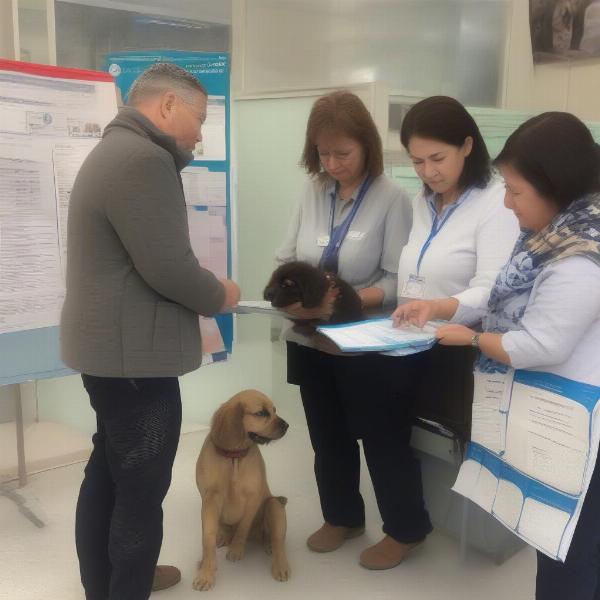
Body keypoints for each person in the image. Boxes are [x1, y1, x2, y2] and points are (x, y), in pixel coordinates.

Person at [60, 63, 240, 600]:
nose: (202, 132)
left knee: (110, 471)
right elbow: (169, 268)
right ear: (167, 105)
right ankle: (126, 587)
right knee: (140, 489)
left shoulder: (115, 151)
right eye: (199, 118)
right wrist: (222, 294)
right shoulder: (144, 159)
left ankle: (108, 583)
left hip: (113, 355)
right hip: (134, 362)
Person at [403, 112, 600, 600]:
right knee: (556, 544)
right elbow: (501, 291)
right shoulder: (550, 233)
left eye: (515, 191)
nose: (507, 203)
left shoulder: (578, 256)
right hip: (556, 412)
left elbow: (539, 345)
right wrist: (444, 306)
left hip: (575, 418)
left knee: (571, 554)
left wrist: (469, 339)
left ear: (554, 185)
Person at [275, 90, 419, 570]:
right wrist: (295, 297)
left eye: (343, 153)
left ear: (367, 147)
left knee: (382, 439)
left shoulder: (392, 198)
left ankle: (404, 529)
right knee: (327, 436)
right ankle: (342, 517)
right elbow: (285, 256)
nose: (332, 164)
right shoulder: (311, 193)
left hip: (366, 343)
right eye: (323, 153)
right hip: (313, 339)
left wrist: (345, 300)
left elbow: (401, 280)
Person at [390, 96, 520, 442]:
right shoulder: (423, 201)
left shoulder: (497, 201)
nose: (428, 171)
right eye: (417, 161)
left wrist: (437, 307)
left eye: (437, 159)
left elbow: (492, 290)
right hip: (414, 346)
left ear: (466, 146)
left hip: (463, 357)